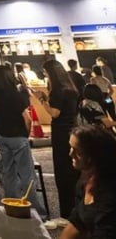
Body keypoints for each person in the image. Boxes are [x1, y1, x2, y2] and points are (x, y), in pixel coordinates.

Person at [0, 65, 51, 225]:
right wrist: (25, 134)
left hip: (1, 135)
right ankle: (36, 214)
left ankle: (11, 208)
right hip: (17, 136)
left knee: (8, 173)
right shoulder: (14, 94)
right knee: (27, 175)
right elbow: (27, 119)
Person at [38, 59, 80, 223]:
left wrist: (42, 100)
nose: (46, 76)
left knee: (63, 173)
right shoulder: (70, 89)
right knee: (74, 170)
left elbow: (54, 113)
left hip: (61, 133)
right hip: (72, 131)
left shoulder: (58, 91)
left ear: (52, 74)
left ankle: (67, 213)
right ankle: (77, 209)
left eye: (46, 73)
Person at [59, 125, 116, 239]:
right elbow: (77, 221)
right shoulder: (86, 178)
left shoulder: (109, 193)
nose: (70, 154)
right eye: (71, 147)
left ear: (94, 155)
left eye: (77, 151)